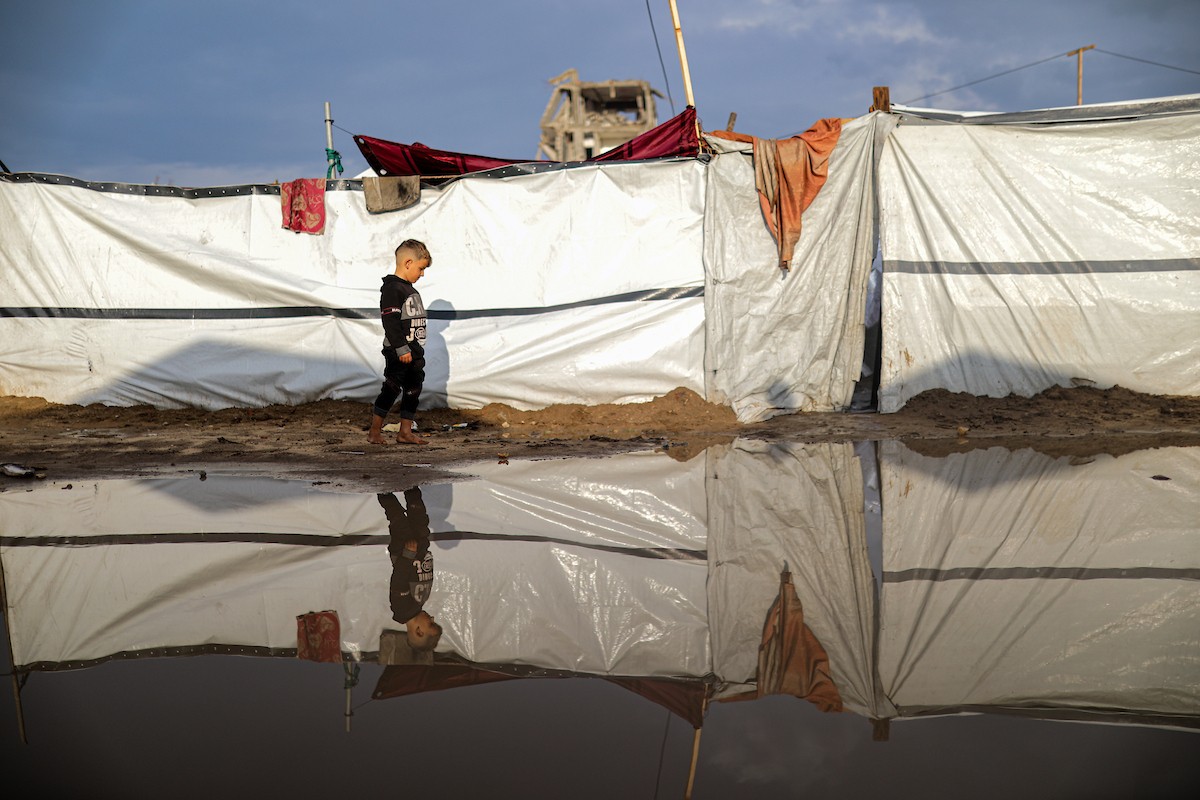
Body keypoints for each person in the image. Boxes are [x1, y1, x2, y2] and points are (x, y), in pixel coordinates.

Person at [368, 239, 432, 445]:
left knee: (414, 389)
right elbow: (390, 322)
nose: (422, 274)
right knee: (392, 388)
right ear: (408, 263)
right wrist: (401, 348)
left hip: (414, 351)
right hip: (398, 351)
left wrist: (414, 349)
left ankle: (405, 432)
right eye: (421, 269)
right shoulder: (392, 289)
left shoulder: (410, 290)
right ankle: (374, 431)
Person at [380, 489, 443, 652]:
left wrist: (407, 555)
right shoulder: (417, 605)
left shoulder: (402, 609)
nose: (432, 618)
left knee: (397, 517)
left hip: (405, 549)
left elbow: (398, 580)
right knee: (419, 517)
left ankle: (383, 488)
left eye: (431, 624)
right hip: (419, 547)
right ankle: (411, 487)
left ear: (419, 631)